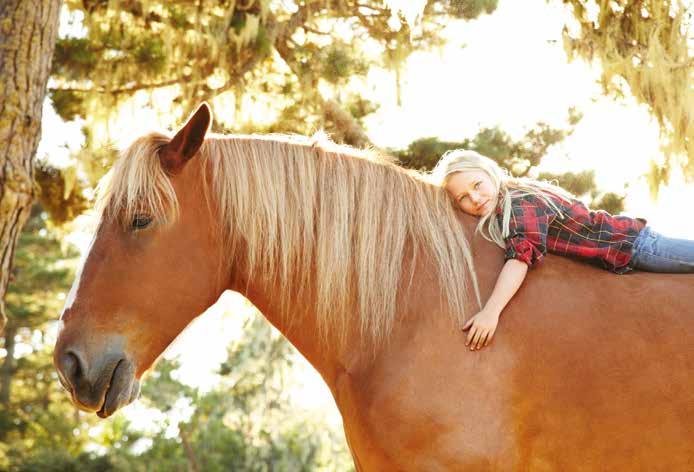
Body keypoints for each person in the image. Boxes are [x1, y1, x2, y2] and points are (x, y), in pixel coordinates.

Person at [432, 149, 694, 351]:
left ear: (490, 173)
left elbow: (519, 258)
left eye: (477, 185)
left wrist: (491, 312)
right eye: (463, 198)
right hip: (625, 248)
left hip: (636, 245)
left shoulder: (520, 203)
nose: (475, 199)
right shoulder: (507, 205)